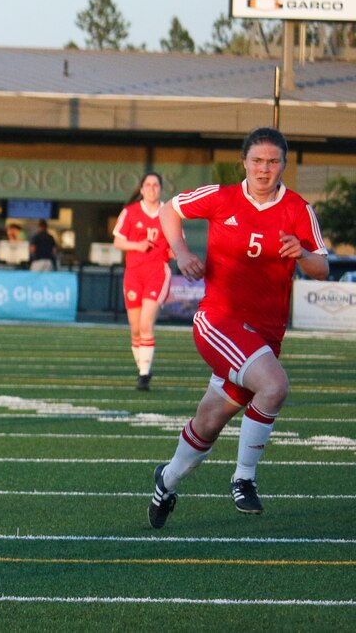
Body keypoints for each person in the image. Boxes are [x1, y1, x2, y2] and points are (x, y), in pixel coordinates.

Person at [147, 127, 327, 530]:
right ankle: (243, 478)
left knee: (210, 421)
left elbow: (322, 266)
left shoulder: (298, 208)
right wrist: (181, 253)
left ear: (284, 165)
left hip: (265, 334)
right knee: (275, 386)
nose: (265, 169)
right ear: (243, 162)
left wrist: (302, 255)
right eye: (257, 161)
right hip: (219, 319)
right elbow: (169, 210)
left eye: (273, 161)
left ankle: (166, 480)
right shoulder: (222, 196)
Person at [112, 172, 173, 391]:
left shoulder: (169, 213)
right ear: (141, 189)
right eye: (148, 185)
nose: (152, 188)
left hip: (157, 272)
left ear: (161, 189)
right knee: (135, 328)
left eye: (156, 185)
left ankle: (144, 374)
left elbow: (177, 243)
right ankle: (142, 367)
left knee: (147, 323)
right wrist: (137, 246)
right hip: (133, 273)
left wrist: (176, 252)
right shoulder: (130, 212)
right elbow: (118, 241)